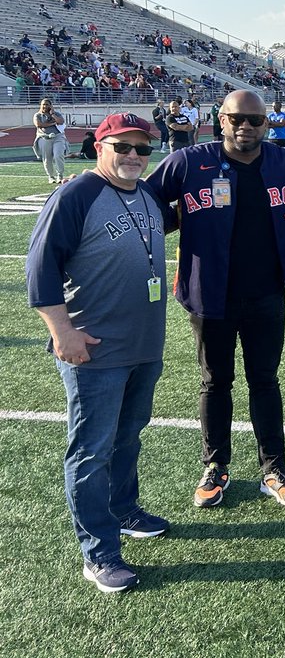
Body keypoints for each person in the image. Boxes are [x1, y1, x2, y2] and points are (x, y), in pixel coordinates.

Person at [146, 90, 285, 509]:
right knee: (215, 381)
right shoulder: (188, 161)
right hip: (209, 293)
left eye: (255, 120)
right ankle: (215, 465)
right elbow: (142, 199)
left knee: (265, 380)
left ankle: (273, 467)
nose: (246, 126)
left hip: (266, 292)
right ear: (220, 120)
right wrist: (175, 219)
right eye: (236, 118)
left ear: (267, 124)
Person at [27, 113, 169, 593]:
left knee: (128, 436)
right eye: (122, 147)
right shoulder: (74, 195)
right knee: (91, 449)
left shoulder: (147, 194)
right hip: (94, 347)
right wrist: (61, 332)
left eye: (142, 148)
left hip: (144, 344)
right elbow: (41, 269)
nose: (133, 156)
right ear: (99, 146)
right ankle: (99, 552)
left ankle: (124, 509)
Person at [33, 97, 67, 185]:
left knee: (58, 155)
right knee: (47, 159)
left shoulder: (56, 114)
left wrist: (52, 114)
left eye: (47, 104)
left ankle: (60, 175)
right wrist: (52, 123)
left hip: (58, 137)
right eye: (43, 104)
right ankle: (51, 176)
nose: (45, 106)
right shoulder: (38, 115)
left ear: (51, 106)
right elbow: (39, 124)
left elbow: (61, 121)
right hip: (45, 138)